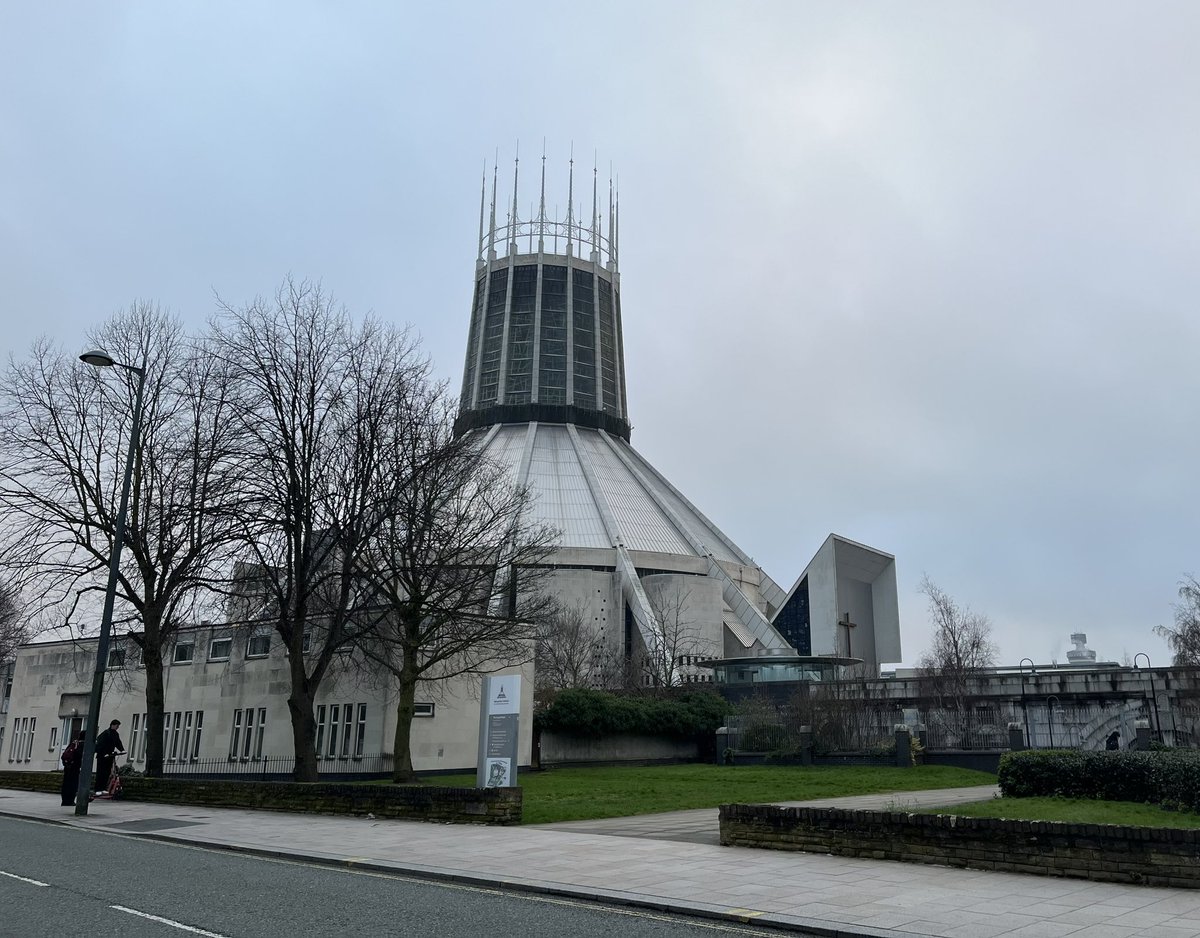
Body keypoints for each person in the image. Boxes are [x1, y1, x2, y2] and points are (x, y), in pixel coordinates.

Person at [94, 719, 125, 793]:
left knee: (107, 772)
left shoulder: (115, 734)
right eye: (117, 726)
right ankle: (98, 789)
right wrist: (103, 753)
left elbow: (118, 742)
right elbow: (100, 744)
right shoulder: (106, 733)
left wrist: (122, 750)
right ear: (113, 725)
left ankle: (103, 788)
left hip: (110, 755)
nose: (117, 728)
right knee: (101, 772)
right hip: (102, 756)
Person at [60, 731, 86, 807]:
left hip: (68, 766)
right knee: (73, 784)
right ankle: (70, 800)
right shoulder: (82, 745)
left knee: (66, 783)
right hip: (75, 767)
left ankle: (64, 800)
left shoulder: (74, 743)